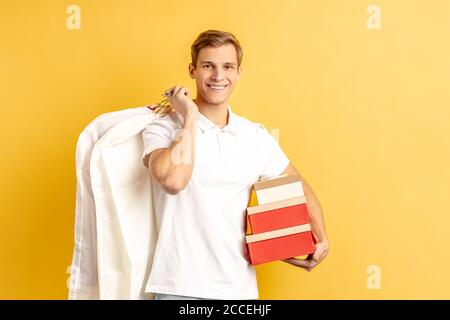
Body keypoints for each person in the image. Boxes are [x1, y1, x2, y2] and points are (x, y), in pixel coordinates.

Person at [141, 29, 329, 300]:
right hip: (180, 288)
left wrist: (320, 237)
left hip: (239, 291)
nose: (218, 76)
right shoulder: (163, 128)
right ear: (192, 71)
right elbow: (173, 181)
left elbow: (297, 186)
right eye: (208, 66)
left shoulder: (254, 136)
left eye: (228, 66)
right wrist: (189, 116)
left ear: (239, 72)